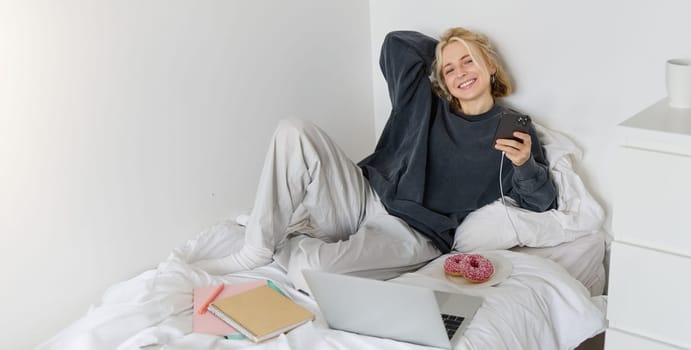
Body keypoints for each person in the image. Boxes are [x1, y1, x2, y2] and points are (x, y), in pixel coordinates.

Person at [193, 27, 557, 291]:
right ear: (441, 80)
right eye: (450, 69)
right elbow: (395, 43)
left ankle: (292, 240)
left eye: (470, 61)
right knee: (294, 130)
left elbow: (541, 203)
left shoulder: (511, 130)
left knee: (311, 270)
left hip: (413, 232)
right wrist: (446, 49)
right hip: (364, 195)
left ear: (491, 65)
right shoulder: (423, 101)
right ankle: (256, 248)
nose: (461, 72)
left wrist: (525, 164)